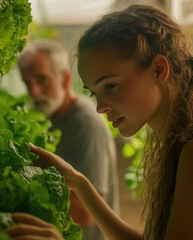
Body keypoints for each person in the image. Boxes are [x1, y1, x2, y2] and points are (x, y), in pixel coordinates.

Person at [6, 4, 193, 240]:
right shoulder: (182, 145)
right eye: (94, 93)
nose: (100, 107)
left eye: (110, 86)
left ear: (158, 69)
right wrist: (78, 183)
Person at [16, 39, 120, 240]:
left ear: (64, 79)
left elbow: (86, 213)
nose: (33, 92)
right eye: (27, 83)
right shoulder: (51, 113)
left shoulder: (85, 123)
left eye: (42, 80)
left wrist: (18, 192)